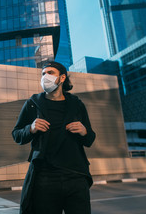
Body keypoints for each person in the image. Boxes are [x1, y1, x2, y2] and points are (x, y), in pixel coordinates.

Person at [12, 61, 96, 214]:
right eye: (43, 74)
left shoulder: (77, 105)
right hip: (44, 178)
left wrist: (84, 131)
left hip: (76, 176)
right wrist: (30, 128)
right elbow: (16, 134)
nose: (45, 77)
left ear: (62, 78)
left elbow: (90, 139)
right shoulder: (32, 104)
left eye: (50, 73)